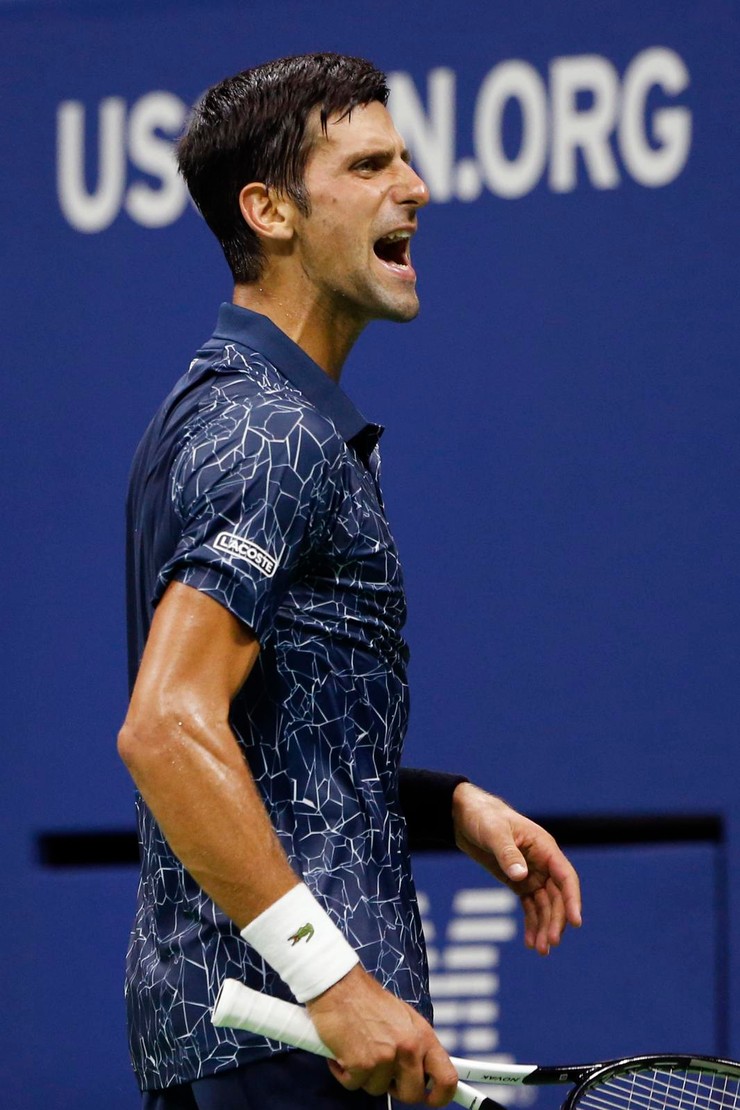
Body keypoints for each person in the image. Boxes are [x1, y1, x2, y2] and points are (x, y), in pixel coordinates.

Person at [118, 52, 582, 1110]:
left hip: (247, 1040)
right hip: (290, 1045)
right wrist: (331, 982)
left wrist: (445, 806)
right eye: (370, 166)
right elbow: (165, 726)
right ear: (270, 211)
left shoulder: (221, 411)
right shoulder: (270, 432)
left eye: (403, 160)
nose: (415, 188)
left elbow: (262, 732)